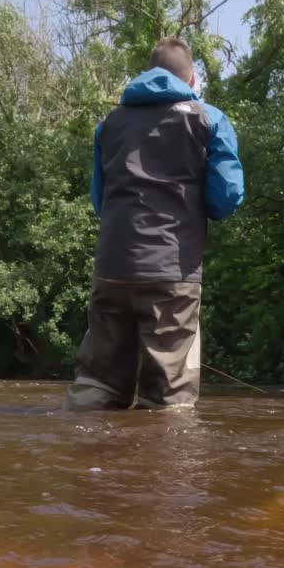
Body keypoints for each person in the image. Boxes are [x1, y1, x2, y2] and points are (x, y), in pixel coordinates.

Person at [65, 37, 245, 410]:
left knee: (96, 387)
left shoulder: (109, 124)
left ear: (146, 75)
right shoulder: (209, 118)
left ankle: (82, 463)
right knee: (168, 397)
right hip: (172, 272)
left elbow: (100, 200)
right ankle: (161, 466)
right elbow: (226, 197)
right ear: (192, 78)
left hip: (112, 265)